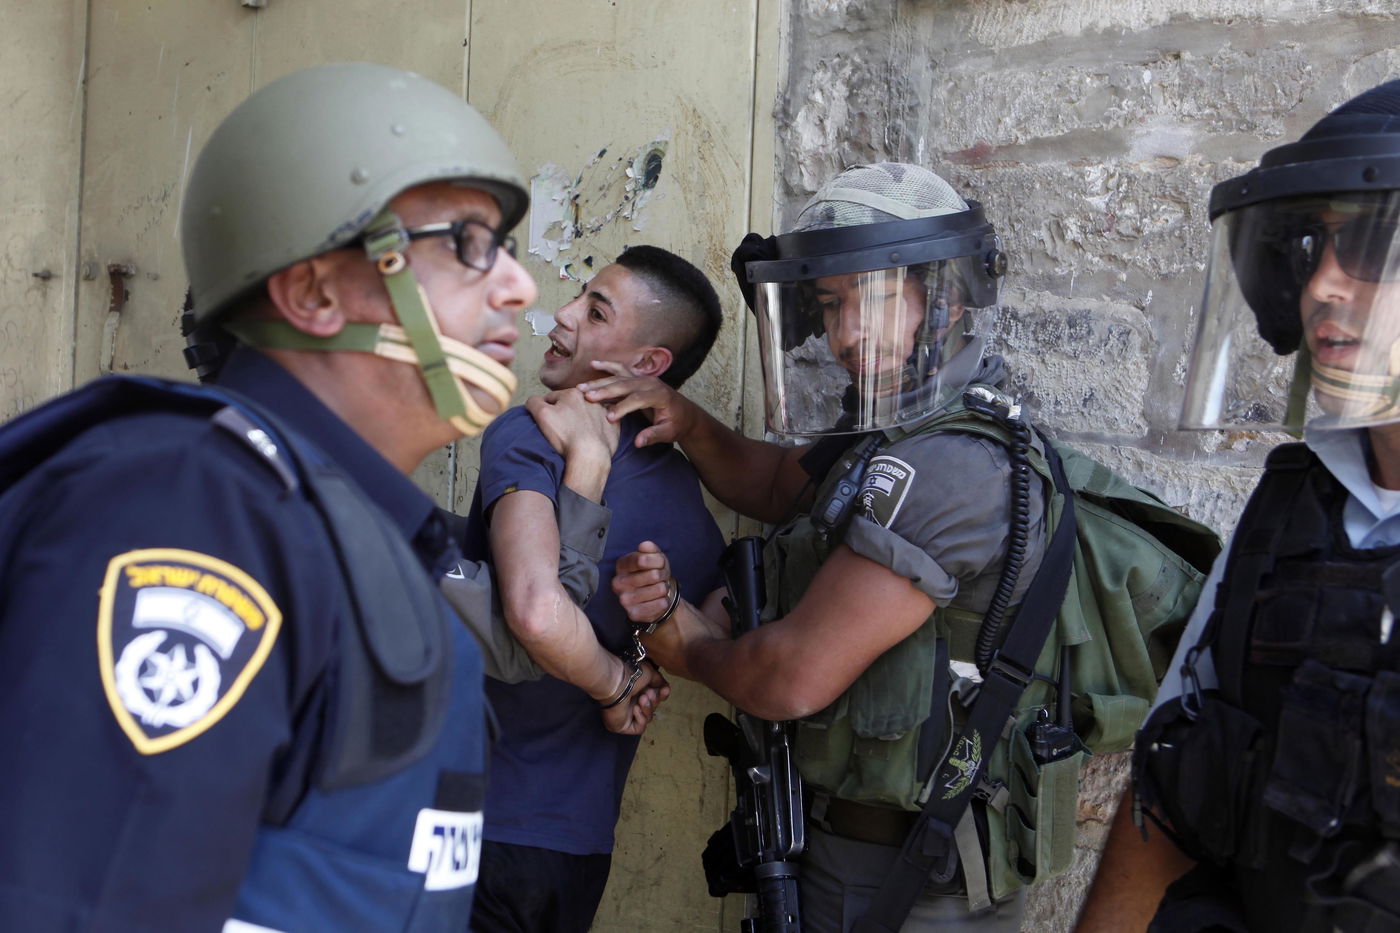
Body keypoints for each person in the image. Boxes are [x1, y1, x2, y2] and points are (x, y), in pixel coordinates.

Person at [0, 62, 657, 933]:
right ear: (313, 292)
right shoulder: (195, 506)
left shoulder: (360, 532)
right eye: (467, 244)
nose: (519, 286)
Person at [589, 162, 1049, 931]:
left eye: (874, 297)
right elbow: (781, 486)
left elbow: (790, 678)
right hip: (857, 840)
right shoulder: (896, 423)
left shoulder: (951, 466)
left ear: (944, 301)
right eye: (832, 305)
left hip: (912, 869)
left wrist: (687, 643)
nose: (846, 333)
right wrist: (687, 421)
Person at [1075, 79, 1400, 933]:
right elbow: (1175, 783)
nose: (1323, 284)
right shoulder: (1292, 513)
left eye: (1372, 244)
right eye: (1309, 246)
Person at [463, 245, 727, 933]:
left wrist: (617, 681)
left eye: (597, 311)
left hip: (478, 828)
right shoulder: (683, 492)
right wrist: (652, 652)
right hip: (579, 849)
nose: (564, 313)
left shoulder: (532, 433)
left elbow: (535, 610)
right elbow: (717, 633)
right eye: (580, 294)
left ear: (648, 363)